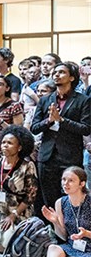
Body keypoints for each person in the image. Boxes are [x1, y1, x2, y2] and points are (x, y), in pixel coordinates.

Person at [30, 62, 91, 219]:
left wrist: (61, 120)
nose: (56, 75)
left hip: (70, 155)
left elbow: (85, 128)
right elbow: (34, 127)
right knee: (48, 197)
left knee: (71, 197)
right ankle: (51, 232)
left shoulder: (83, 100)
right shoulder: (45, 100)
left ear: (71, 77)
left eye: (61, 72)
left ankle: (71, 232)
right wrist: (49, 121)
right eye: (55, 72)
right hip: (47, 156)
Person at [37, 167, 91, 257]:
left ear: (82, 184)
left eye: (71, 180)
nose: (65, 183)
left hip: (89, 247)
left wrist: (86, 233)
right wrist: (55, 221)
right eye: (64, 179)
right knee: (52, 248)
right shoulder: (60, 202)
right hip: (72, 246)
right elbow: (63, 235)